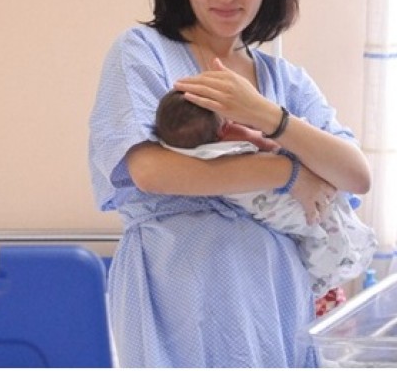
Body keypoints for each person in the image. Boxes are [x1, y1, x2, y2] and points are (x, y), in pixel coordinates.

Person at [88, 0, 372, 367]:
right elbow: (151, 171)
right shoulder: (142, 52)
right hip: (176, 290)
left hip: (273, 295)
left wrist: (268, 116)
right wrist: (285, 173)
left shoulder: (286, 81)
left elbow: (356, 175)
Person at [155, 90, 377, 297]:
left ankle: (324, 279)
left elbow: (357, 175)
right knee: (324, 226)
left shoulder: (185, 153)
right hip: (293, 210)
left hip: (242, 266)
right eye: (231, 120)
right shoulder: (235, 140)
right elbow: (273, 144)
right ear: (224, 128)